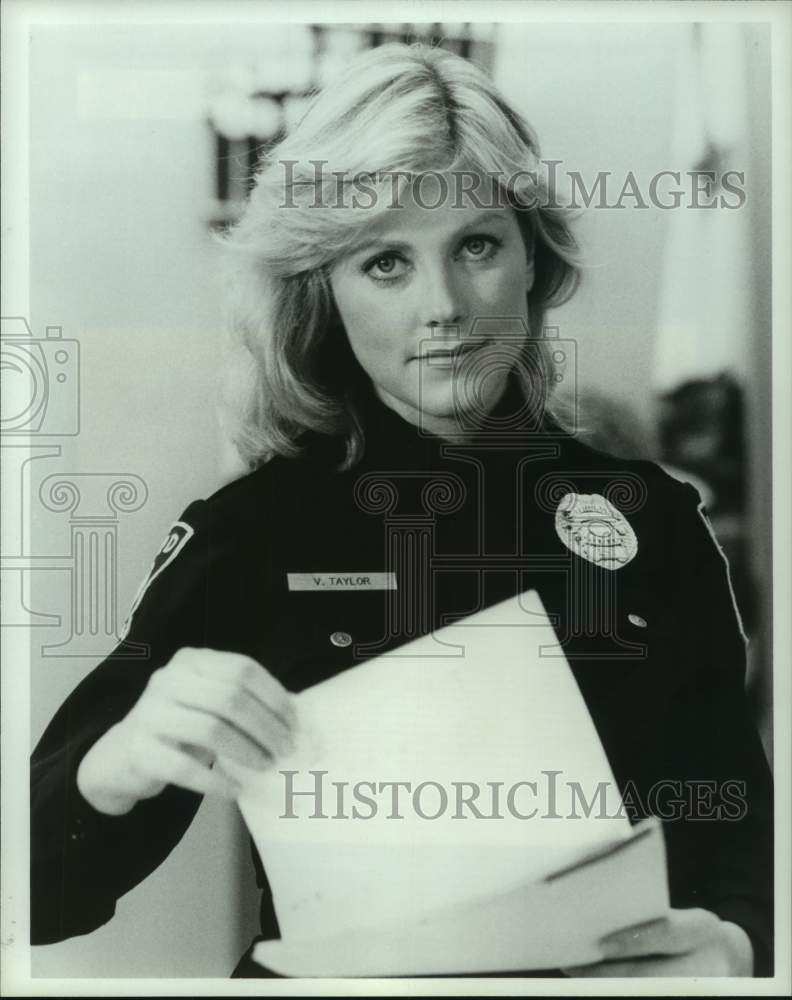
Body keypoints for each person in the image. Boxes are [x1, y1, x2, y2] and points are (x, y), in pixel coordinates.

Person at [30, 42, 773, 978]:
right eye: (385, 263)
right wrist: (114, 764)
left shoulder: (654, 520)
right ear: (324, 297)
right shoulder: (248, 535)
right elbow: (36, 899)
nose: (446, 307)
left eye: (476, 245)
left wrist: (738, 947)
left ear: (532, 260)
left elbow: (741, 836)